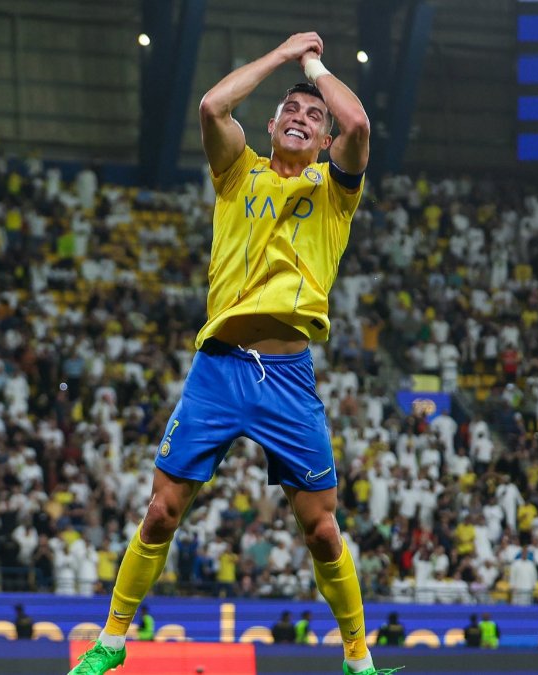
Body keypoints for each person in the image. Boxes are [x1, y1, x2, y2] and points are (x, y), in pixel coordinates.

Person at [68, 31, 380, 675]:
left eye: (313, 115)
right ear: (269, 125)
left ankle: (358, 659)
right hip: (219, 368)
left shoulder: (334, 191)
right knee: (161, 512)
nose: (301, 117)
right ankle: (111, 641)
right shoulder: (239, 171)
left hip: (288, 378)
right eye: (290, 109)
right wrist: (282, 55)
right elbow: (213, 105)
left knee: (322, 530)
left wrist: (314, 67)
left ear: (325, 139)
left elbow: (357, 122)